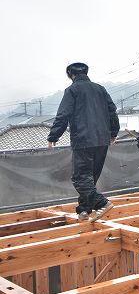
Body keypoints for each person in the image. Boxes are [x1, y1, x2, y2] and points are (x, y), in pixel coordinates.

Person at [47, 62, 120, 222]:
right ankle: (84, 210)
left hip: (83, 139)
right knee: (90, 178)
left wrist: (53, 136)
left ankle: (102, 203)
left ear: (70, 75)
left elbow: (63, 115)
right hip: (102, 139)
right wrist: (113, 132)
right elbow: (112, 111)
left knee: (80, 177)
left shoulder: (72, 90)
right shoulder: (100, 89)